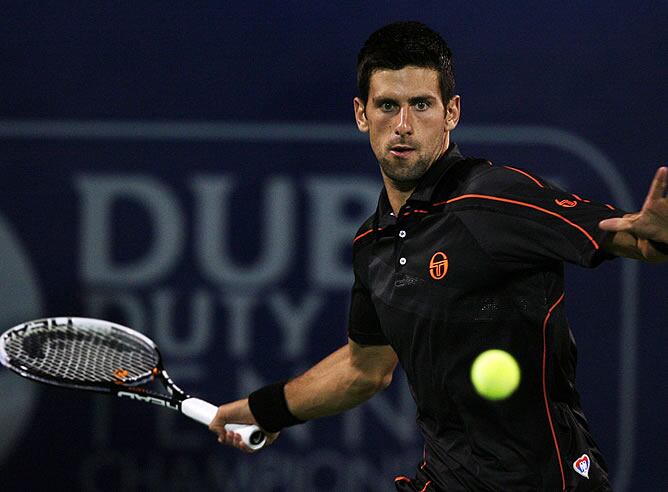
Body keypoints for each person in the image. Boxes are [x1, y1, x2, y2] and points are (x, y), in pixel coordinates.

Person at [209, 21, 668, 491]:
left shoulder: (492, 197)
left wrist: (653, 236)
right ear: (361, 114)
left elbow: (625, 234)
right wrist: (266, 409)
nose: (403, 126)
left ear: (451, 112)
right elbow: (363, 369)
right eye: (387, 105)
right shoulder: (372, 245)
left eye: (421, 105)